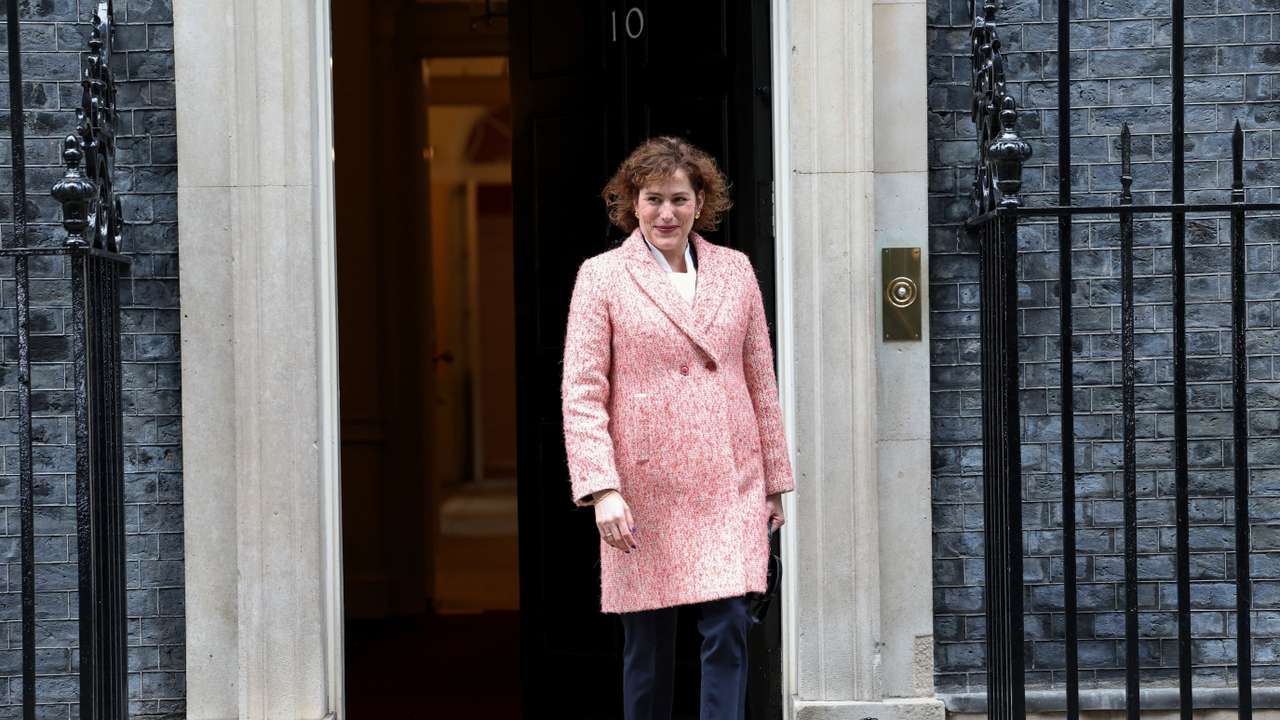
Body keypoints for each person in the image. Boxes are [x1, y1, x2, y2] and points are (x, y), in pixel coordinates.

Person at [560, 136, 795, 720]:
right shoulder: (602, 277)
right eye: (653, 199)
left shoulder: (735, 270)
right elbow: (583, 391)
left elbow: (760, 380)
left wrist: (772, 481)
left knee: (729, 629)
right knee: (647, 645)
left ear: (701, 203)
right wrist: (602, 489)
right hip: (642, 490)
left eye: (680, 199)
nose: (667, 213)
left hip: (727, 481)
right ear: (631, 204)